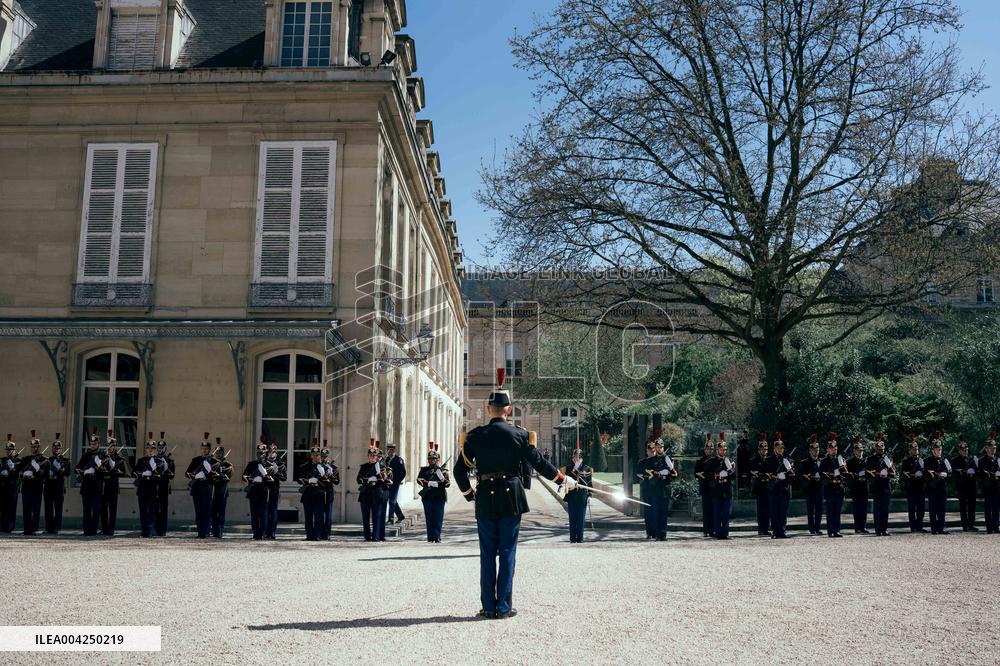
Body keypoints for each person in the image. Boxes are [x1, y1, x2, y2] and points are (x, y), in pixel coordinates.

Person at [452, 368, 574, 619]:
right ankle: (504, 607)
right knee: (507, 552)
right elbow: (539, 463)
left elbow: (458, 471)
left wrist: (469, 496)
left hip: (485, 497)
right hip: (511, 497)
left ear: (488, 410)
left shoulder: (475, 437)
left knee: (487, 554)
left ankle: (488, 606)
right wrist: (562, 479)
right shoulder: (520, 435)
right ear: (508, 410)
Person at [417, 443, 450, 542]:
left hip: (439, 496)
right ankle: (430, 537)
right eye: (430, 459)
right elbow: (419, 480)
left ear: (437, 459)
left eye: (434, 458)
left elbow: (447, 484)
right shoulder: (424, 470)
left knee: (438, 517)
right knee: (429, 517)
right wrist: (429, 483)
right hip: (427, 496)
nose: (432, 460)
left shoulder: (443, 471)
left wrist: (441, 478)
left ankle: (437, 536)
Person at [185, 434, 216, 539]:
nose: (204, 451)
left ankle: (206, 531)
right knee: (198, 511)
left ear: (209, 450)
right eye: (202, 449)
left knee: (206, 511)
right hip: (197, 487)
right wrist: (194, 475)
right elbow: (187, 473)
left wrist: (208, 472)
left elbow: (215, 476)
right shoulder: (196, 460)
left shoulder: (212, 461)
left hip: (207, 487)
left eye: (206, 449)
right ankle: (200, 532)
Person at [705, 432, 734, 540]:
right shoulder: (711, 461)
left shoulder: (728, 461)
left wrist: (730, 470)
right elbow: (707, 475)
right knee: (717, 514)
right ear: (718, 450)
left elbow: (734, 476)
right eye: (721, 449)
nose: (723, 451)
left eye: (724, 450)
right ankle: (718, 533)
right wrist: (716, 474)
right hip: (716, 491)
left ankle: (725, 533)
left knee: (726, 514)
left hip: (726, 490)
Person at [865, 432, 895, 537]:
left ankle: (884, 529)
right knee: (877, 510)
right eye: (878, 448)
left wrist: (888, 469)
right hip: (876, 486)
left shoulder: (888, 459)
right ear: (875, 448)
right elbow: (869, 472)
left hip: (886, 487)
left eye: (882, 449)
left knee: (885, 510)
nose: (880, 450)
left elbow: (893, 473)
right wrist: (879, 474)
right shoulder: (870, 459)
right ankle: (878, 530)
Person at [561, 448, 593, 543]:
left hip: (582, 496)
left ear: (582, 458)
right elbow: (567, 479)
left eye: (578, 457)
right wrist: (575, 469)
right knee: (572, 518)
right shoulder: (568, 468)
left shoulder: (587, 469)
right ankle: (572, 538)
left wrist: (590, 495)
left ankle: (580, 538)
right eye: (574, 457)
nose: (576, 458)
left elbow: (589, 483)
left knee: (581, 518)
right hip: (571, 495)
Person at [75, 429, 103, 536]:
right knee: (86, 509)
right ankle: (86, 530)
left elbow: (104, 471)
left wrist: (98, 466)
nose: (92, 445)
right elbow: (77, 468)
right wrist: (83, 471)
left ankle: (94, 530)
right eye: (91, 444)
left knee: (96, 510)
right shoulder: (86, 455)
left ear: (98, 444)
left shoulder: (101, 454)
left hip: (96, 484)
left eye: (94, 444)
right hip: (86, 485)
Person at [357, 440, 386, 542]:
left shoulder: (381, 467)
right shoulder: (364, 467)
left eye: (374, 456)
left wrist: (378, 476)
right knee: (365, 518)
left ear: (376, 456)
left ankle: (376, 536)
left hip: (376, 494)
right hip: (365, 493)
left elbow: (384, 481)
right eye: (370, 455)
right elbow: (358, 479)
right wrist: (367, 480)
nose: (372, 457)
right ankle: (367, 536)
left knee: (376, 516)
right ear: (368, 456)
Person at [99, 431, 128, 536]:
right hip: (104, 485)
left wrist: (114, 468)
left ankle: (111, 529)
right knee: (103, 508)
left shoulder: (119, 459)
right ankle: (104, 528)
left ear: (115, 447)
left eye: (112, 446)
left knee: (112, 508)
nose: (110, 448)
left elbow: (123, 473)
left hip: (113, 485)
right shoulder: (103, 458)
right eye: (108, 446)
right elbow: (99, 471)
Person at [764, 433, 792, 539]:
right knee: (774, 512)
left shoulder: (787, 460)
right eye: (778, 448)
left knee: (783, 512)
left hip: (784, 489)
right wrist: (775, 476)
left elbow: (792, 475)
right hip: (774, 489)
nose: (780, 450)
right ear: (774, 448)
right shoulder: (769, 460)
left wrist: (785, 476)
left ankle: (782, 531)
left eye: (782, 448)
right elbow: (765, 474)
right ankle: (775, 531)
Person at [243, 441, 272, 540]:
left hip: (263, 490)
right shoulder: (252, 464)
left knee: (263, 513)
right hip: (253, 490)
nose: (260, 455)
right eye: (259, 453)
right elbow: (244, 476)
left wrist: (264, 476)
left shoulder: (269, 465)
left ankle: (262, 533)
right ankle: (255, 534)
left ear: (266, 453)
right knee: (254, 514)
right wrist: (251, 479)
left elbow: (272, 479)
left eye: (262, 453)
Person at [19, 431, 46, 536]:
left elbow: (43, 473)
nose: (34, 449)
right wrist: (24, 473)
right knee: (26, 509)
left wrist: (36, 468)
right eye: (32, 446)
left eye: (36, 447)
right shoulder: (26, 459)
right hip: (26, 487)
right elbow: (19, 471)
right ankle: (27, 529)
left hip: (36, 487)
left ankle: (34, 529)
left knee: (35, 509)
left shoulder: (44, 459)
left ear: (39, 447)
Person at [133, 436, 161, 538]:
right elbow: (134, 472)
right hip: (143, 487)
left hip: (152, 488)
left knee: (152, 511)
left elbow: (159, 475)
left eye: (152, 448)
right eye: (148, 448)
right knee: (143, 510)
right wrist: (140, 474)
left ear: (155, 450)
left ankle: (150, 531)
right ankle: (144, 531)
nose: (150, 450)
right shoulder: (141, 460)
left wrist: (153, 470)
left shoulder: (158, 461)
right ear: (146, 449)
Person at [819, 433, 845, 537]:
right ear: (828, 450)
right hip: (829, 488)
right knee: (830, 511)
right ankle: (830, 531)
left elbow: (845, 474)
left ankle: (837, 530)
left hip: (839, 488)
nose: (833, 450)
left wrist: (842, 471)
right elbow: (822, 475)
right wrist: (832, 475)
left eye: (835, 448)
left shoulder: (840, 460)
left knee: (837, 511)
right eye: (831, 448)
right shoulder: (824, 461)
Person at [923, 432, 950, 535]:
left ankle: (941, 528)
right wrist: (936, 475)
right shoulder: (927, 461)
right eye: (937, 449)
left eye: (940, 449)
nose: (939, 451)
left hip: (942, 488)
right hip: (933, 488)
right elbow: (926, 474)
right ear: (933, 450)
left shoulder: (944, 460)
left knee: (942, 510)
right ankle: (934, 529)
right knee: (933, 510)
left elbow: (949, 473)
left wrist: (947, 473)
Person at [951, 437, 979, 531]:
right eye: (963, 450)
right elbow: (953, 473)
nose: (965, 451)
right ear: (959, 451)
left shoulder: (972, 459)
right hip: (962, 486)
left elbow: (977, 470)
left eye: (966, 450)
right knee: (963, 506)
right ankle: (964, 525)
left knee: (972, 506)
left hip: (971, 485)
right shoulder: (954, 460)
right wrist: (961, 471)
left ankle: (971, 524)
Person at [637, 438, 663, 539]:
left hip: (656, 489)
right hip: (647, 489)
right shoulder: (642, 462)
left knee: (656, 512)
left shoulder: (659, 461)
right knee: (648, 513)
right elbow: (639, 474)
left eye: (653, 451)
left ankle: (657, 532)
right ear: (647, 451)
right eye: (650, 451)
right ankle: (649, 532)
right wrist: (647, 477)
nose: (652, 453)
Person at [900, 434, 927, 533]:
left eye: (916, 449)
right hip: (911, 487)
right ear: (909, 450)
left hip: (920, 487)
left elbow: (925, 472)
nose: (915, 451)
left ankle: (919, 526)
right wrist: (913, 475)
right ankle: (913, 527)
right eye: (913, 450)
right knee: (912, 509)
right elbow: (904, 474)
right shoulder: (906, 462)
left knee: (921, 508)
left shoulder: (921, 461)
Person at [299, 442, 325, 541]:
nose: (315, 457)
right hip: (308, 493)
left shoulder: (323, 467)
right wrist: (308, 481)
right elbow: (299, 478)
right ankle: (309, 535)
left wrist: (319, 480)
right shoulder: (306, 466)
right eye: (314, 455)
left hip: (319, 493)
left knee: (318, 516)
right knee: (308, 516)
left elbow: (327, 481)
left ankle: (317, 535)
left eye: (317, 455)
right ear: (311, 455)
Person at [44, 435, 69, 534]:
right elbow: (44, 473)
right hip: (48, 486)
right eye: (54, 448)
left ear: (61, 450)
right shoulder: (47, 460)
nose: (56, 450)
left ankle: (57, 527)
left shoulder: (65, 461)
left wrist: (59, 468)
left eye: (58, 448)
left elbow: (67, 473)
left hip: (58, 487)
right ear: (52, 449)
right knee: (48, 508)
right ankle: (48, 527)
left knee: (58, 508)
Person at [845, 435, 870, 533]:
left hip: (864, 487)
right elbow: (847, 475)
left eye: (861, 451)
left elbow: (870, 472)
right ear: (854, 451)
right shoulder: (850, 462)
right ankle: (857, 527)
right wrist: (855, 476)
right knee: (856, 509)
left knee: (864, 508)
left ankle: (863, 527)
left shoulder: (866, 461)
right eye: (858, 450)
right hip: (856, 487)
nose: (860, 452)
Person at [748, 433, 770, 536]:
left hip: (768, 487)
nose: (764, 451)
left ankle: (766, 528)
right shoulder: (753, 460)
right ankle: (761, 528)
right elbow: (751, 472)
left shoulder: (769, 460)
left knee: (768, 509)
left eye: (765, 449)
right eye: (762, 449)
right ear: (759, 450)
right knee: (761, 509)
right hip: (759, 487)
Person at [801, 435, 823, 535]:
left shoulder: (822, 461)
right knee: (810, 511)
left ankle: (817, 528)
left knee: (819, 510)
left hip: (819, 489)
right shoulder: (805, 462)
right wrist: (809, 477)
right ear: (810, 451)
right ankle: (811, 529)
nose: (815, 452)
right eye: (813, 450)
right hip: (810, 489)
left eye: (817, 450)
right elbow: (801, 476)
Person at [210, 439, 233, 538]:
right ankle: (214, 530)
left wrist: (219, 475)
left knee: (221, 512)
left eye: (220, 453)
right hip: (213, 490)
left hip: (222, 490)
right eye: (216, 453)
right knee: (212, 511)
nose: (218, 454)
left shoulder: (227, 465)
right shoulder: (212, 463)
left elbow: (227, 478)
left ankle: (220, 530)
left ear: (223, 453)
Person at [154, 433, 175, 536]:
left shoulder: (170, 461)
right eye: (159, 447)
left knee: (163, 508)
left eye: (162, 447)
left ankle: (162, 530)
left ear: (165, 448)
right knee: (154, 507)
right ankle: (154, 528)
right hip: (154, 486)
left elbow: (172, 475)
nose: (160, 449)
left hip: (164, 486)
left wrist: (166, 466)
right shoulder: (153, 459)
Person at [978, 434, 999, 534]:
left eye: (994, 448)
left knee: (996, 508)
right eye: (990, 448)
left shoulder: (998, 460)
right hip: (987, 487)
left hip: (997, 487)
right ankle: (989, 528)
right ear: (986, 449)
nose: (992, 450)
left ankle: (996, 527)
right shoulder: (981, 460)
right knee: (988, 508)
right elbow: (980, 473)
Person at [264, 441, 284, 540]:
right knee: (265, 511)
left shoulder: (280, 463)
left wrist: (277, 471)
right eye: (270, 452)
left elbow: (284, 477)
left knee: (273, 511)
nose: (272, 453)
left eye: (274, 452)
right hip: (265, 489)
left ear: (276, 453)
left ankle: (272, 532)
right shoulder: (264, 462)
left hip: (274, 489)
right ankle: (265, 531)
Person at [319, 443, 340, 540]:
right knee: (319, 514)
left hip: (329, 491)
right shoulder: (318, 466)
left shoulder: (333, 467)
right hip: (319, 491)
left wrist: (331, 475)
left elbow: (337, 482)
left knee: (328, 515)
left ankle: (327, 534)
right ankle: (319, 533)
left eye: (326, 456)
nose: (324, 458)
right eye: (322, 456)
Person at [694, 434, 713, 537]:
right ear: (705, 450)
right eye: (707, 449)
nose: (709, 451)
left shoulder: (715, 460)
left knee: (714, 510)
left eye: (710, 449)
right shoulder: (700, 461)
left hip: (714, 488)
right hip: (705, 487)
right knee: (706, 510)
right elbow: (695, 473)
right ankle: (706, 530)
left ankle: (712, 529)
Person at [0, 435, 19, 533]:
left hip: (12, 487)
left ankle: (10, 527)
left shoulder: (17, 461)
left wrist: (12, 468)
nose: (8, 452)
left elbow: (17, 474)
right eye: (7, 450)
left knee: (11, 508)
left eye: (11, 450)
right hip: (3, 487)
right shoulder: (2, 460)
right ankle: (2, 526)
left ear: (14, 451)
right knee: (3, 508)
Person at [385, 443, 407, 526]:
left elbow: (403, 472)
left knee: (392, 500)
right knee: (392, 500)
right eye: (389, 450)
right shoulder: (386, 460)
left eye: (392, 450)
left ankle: (390, 519)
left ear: (394, 450)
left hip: (395, 483)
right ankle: (400, 516)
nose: (390, 452)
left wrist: (397, 480)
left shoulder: (399, 460)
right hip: (387, 483)